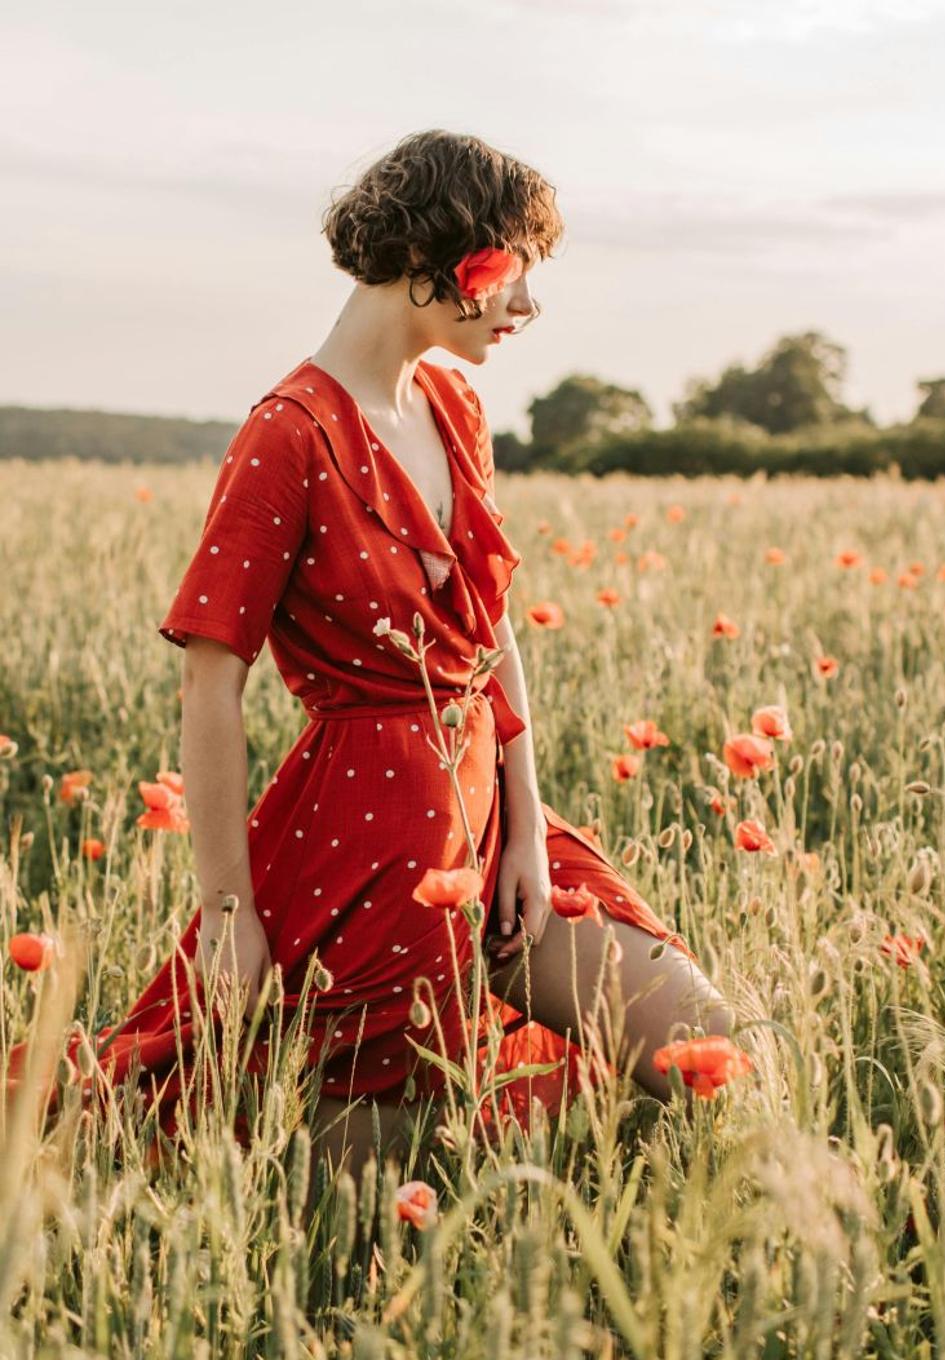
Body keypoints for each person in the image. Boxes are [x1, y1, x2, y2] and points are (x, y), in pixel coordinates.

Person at [8, 130, 732, 1174]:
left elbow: (490, 627)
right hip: (367, 844)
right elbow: (210, 681)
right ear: (441, 259)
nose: (525, 309)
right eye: (515, 273)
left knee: (699, 1042)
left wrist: (526, 829)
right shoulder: (287, 434)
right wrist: (227, 914)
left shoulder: (453, 403)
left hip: (491, 818)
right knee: (377, 1186)